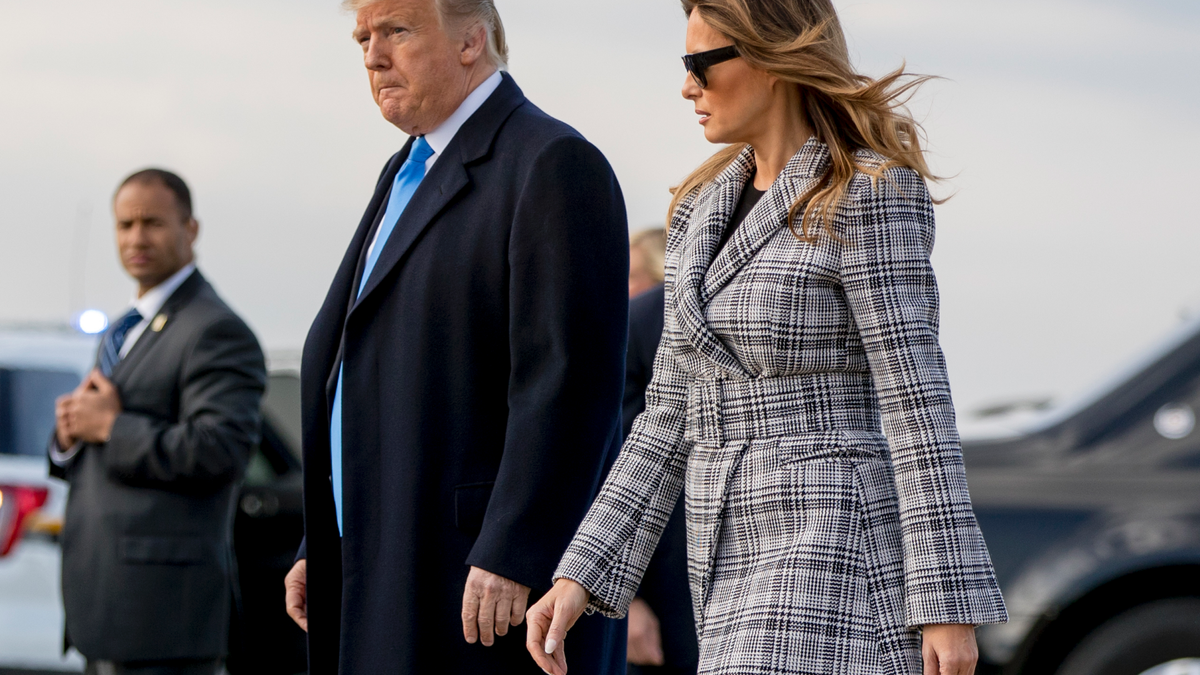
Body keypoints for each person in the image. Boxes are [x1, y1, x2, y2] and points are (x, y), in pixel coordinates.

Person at [527, 0, 1009, 673]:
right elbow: (667, 415)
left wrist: (946, 601)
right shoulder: (698, 208)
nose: (687, 86)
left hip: (837, 541)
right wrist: (580, 574)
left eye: (701, 65)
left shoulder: (867, 193)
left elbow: (915, 400)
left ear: (775, 59)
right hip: (723, 550)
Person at [282, 0, 630, 673]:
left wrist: (514, 548)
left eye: (397, 32)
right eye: (363, 38)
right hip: (380, 561)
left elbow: (569, 386)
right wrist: (322, 538)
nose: (373, 57)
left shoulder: (553, 164)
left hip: (476, 586)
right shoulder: (404, 170)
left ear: (472, 41)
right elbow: (366, 369)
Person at [49, 169, 267, 675]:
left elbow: (221, 449)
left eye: (152, 223)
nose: (136, 238)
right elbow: (97, 432)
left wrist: (110, 429)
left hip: (164, 620)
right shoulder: (126, 327)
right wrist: (67, 435)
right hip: (103, 608)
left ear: (190, 229)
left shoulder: (215, 329)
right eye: (124, 225)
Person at [623, 230, 698, 675]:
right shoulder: (633, 331)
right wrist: (626, 600)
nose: (625, 291)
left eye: (634, 277)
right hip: (658, 590)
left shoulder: (643, 323)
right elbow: (622, 466)